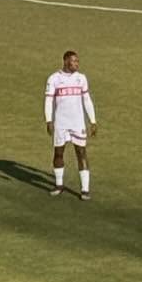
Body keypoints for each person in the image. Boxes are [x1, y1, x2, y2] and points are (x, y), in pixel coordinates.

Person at [44, 49, 97, 200]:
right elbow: (48, 100)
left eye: (77, 61)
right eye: (74, 61)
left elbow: (87, 100)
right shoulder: (54, 79)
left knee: (81, 152)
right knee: (58, 153)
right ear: (66, 61)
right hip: (61, 122)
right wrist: (49, 120)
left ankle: (85, 190)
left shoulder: (81, 78)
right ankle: (59, 185)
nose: (76, 64)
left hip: (77, 122)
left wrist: (93, 121)